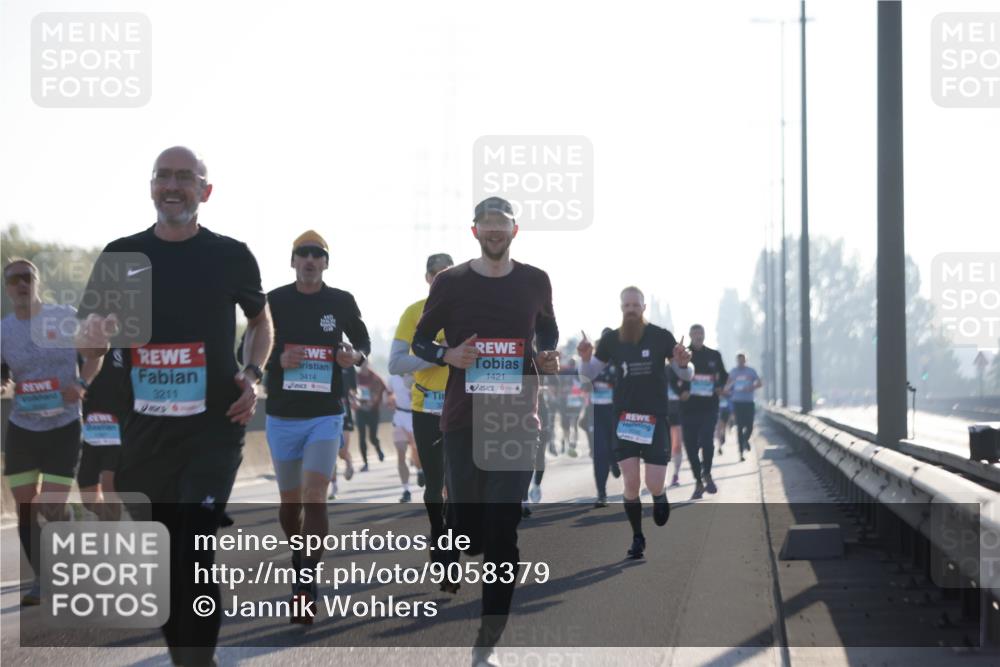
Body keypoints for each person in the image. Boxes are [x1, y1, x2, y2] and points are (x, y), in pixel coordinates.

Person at [77, 146, 273, 667]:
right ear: (150, 187)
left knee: (194, 541)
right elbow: (90, 348)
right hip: (144, 434)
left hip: (215, 427)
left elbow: (260, 321)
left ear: (205, 191)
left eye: (185, 177)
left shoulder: (231, 255)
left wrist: (253, 374)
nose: (172, 186)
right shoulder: (121, 256)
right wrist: (92, 341)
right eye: (163, 176)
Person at [411, 196, 559, 667]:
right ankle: (453, 525)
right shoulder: (452, 282)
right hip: (462, 422)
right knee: (470, 533)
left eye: (502, 223)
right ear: (474, 230)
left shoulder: (535, 281)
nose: (495, 230)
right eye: (487, 223)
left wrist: (547, 355)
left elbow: (549, 330)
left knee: (501, 532)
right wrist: (448, 355)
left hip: (516, 422)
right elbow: (420, 340)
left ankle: (487, 642)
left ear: (515, 230)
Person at [264, 229, 370, 621]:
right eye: (303, 253)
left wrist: (353, 357)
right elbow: (249, 348)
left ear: (326, 262)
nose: (310, 259)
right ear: (293, 261)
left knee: (315, 495)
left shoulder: (340, 301)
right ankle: (300, 556)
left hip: (325, 414)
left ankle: (305, 581)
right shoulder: (274, 300)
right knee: (290, 505)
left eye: (317, 254)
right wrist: (277, 359)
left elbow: (362, 345)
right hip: (282, 415)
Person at [2, 258, 103, 605]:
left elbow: (95, 354)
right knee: (26, 508)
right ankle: (43, 580)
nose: (21, 284)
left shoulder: (64, 317)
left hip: (63, 426)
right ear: (7, 288)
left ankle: (73, 523)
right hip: (23, 428)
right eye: (14, 279)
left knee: (50, 506)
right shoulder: (3, 331)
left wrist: (81, 383)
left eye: (27, 277)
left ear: (37, 282)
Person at [578, 286, 692, 559]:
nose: (631, 310)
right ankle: (637, 537)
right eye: (626, 305)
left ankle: (660, 494)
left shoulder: (660, 336)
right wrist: (585, 359)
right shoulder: (612, 340)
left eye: (635, 305)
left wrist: (684, 363)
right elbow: (589, 373)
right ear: (621, 308)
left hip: (655, 418)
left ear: (643, 307)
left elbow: (685, 374)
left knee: (653, 483)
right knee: (631, 483)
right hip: (625, 418)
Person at [388, 252, 460, 591]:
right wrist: (438, 355)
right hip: (425, 408)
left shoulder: (468, 311)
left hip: (462, 407)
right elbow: (395, 364)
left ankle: (450, 554)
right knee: (434, 485)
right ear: (428, 278)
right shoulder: (414, 312)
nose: (441, 278)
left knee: (458, 486)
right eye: (436, 273)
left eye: (448, 273)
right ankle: (438, 534)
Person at [78, 346, 130, 521]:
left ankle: (112, 529)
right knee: (88, 497)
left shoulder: (124, 346)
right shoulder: (81, 345)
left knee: (109, 484)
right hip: (90, 428)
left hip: (120, 426)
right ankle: (112, 518)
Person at [677, 324, 728, 499]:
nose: (699, 336)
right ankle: (698, 482)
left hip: (709, 407)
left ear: (705, 335)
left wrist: (720, 386)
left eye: (701, 333)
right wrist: (681, 391)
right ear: (690, 335)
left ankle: (707, 473)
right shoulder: (683, 355)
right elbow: (672, 376)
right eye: (695, 333)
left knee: (707, 441)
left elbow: (724, 375)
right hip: (688, 408)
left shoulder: (714, 355)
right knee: (691, 447)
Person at [583, 327, 619, 507]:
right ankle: (602, 494)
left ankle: (614, 461)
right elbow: (583, 381)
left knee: (614, 449)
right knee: (599, 454)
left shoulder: (620, 361)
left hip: (617, 413)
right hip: (596, 413)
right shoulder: (592, 363)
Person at [724, 352, 763, 462]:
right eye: (739, 360)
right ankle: (741, 452)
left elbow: (760, 383)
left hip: (749, 402)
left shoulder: (751, 371)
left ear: (746, 360)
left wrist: (751, 387)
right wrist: (729, 388)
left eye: (743, 360)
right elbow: (726, 386)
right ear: (737, 361)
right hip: (737, 402)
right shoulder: (733, 372)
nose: (741, 362)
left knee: (750, 426)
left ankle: (746, 440)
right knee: (740, 427)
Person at [387, 373, 417, 503]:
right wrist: (389, 400)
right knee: (401, 453)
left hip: (415, 416)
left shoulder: (415, 374)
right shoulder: (392, 378)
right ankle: (406, 490)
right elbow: (388, 393)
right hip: (399, 416)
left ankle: (420, 471)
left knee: (417, 453)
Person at [353, 360, 387, 470]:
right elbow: (350, 390)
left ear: (368, 363)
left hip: (373, 411)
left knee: (372, 437)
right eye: (361, 363)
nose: (363, 365)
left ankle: (378, 449)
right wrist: (354, 401)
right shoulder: (356, 377)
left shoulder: (375, 377)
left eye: (365, 363)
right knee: (362, 436)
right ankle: (365, 463)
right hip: (360, 410)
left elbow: (384, 389)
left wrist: (376, 399)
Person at [666, 365, 685, 488]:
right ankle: (661, 477)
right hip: (663, 411)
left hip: (679, 411)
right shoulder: (663, 369)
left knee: (677, 445)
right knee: (663, 447)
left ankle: (676, 475)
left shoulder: (686, 369)